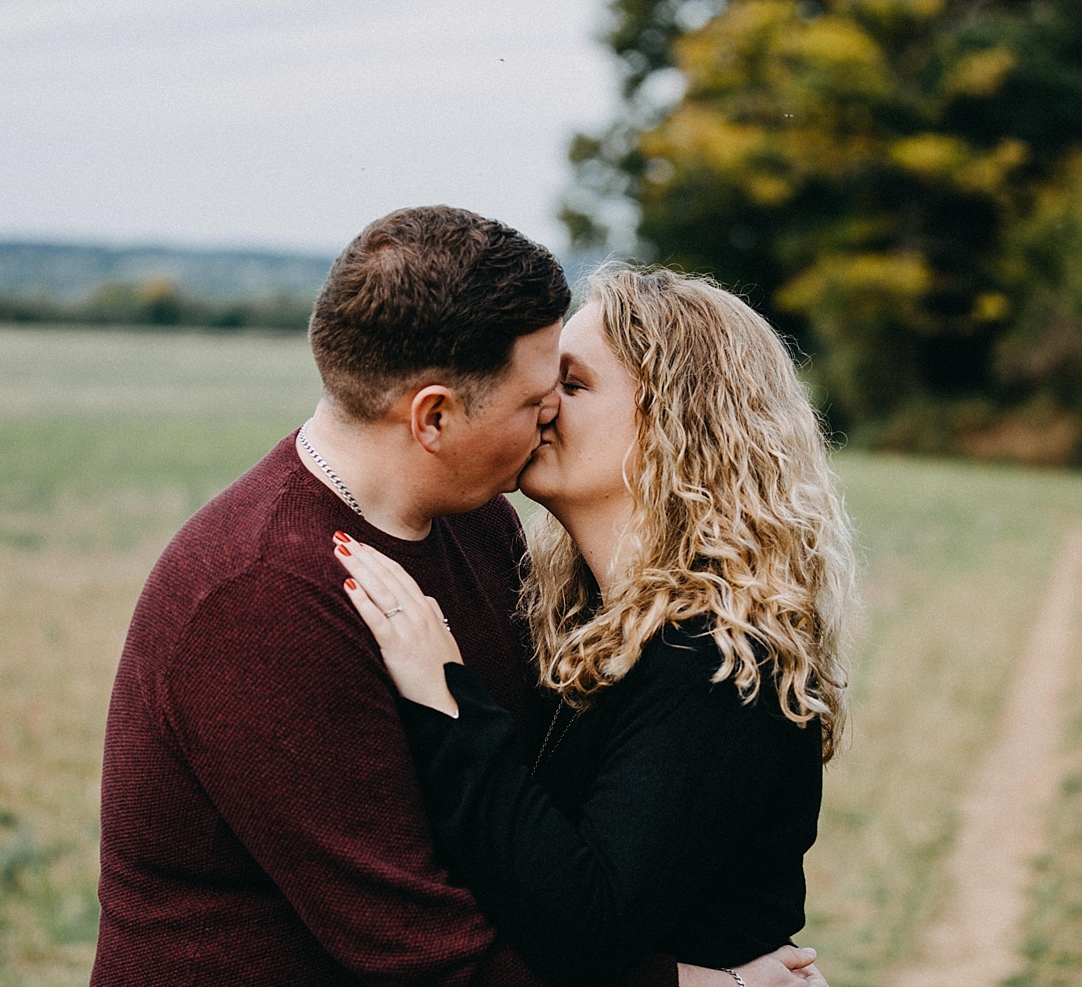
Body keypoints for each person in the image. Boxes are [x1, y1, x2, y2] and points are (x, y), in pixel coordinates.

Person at [91, 207, 817, 985]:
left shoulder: (484, 530)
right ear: (433, 415)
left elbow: (548, 847)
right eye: (542, 391)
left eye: (569, 385)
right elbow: (427, 949)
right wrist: (697, 986)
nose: (549, 413)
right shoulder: (260, 597)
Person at [333, 266, 854, 985]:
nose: (541, 406)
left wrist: (447, 697)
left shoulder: (714, 655)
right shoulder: (589, 624)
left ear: (677, 423)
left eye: (572, 385)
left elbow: (585, 920)